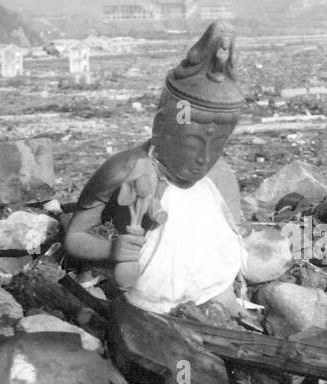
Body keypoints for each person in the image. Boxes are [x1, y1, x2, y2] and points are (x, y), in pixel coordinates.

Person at [63, 21, 248, 317]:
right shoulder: (126, 170)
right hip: (146, 297)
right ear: (161, 125)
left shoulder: (220, 176)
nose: (203, 158)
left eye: (215, 147)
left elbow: (232, 238)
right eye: (192, 143)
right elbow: (74, 238)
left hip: (213, 289)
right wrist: (112, 250)